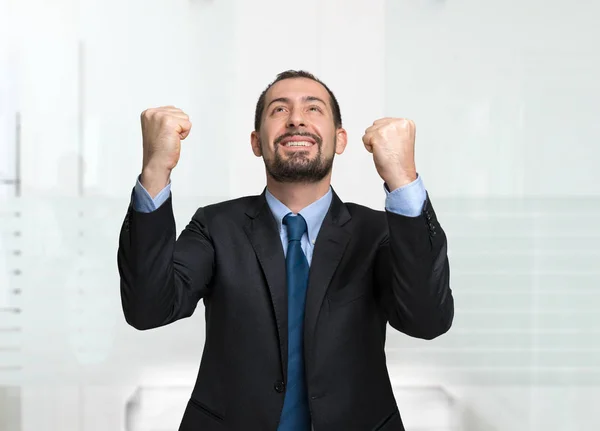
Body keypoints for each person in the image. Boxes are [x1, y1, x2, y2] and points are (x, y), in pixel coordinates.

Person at [117, 70, 454, 431]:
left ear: (340, 140)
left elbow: (427, 319)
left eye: (313, 109)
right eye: (279, 110)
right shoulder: (216, 226)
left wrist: (403, 179)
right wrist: (155, 169)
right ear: (256, 142)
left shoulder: (378, 233)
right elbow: (147, 308)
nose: (296, 119)